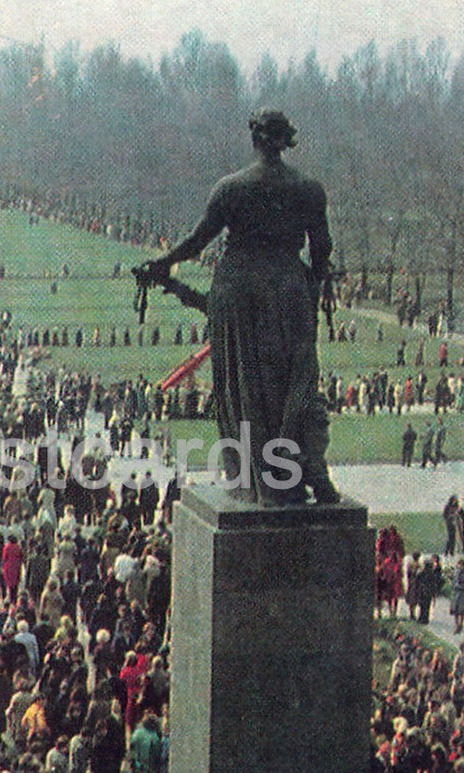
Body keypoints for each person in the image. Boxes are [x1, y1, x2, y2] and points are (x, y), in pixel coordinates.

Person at [137, 109, 337, 505]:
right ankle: (295, 475)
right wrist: (312, 286)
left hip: (240, 287)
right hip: (288, 286)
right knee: (292, 383)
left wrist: (161, 265)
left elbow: (196, 243)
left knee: (243, 387)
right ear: (285, 140)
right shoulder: (309, 189)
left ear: (255, 139)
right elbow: (322, 249)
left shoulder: (231, 188)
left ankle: (253, 480)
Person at [449, 557, 464, 634]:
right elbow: (453, 581)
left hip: (463, 594)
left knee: (461, 611)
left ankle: (461, 624)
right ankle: (457, 624)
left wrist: (460, 586)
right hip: (456, 593)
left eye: (460, 565)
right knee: (455, 610)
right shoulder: (456, 573)